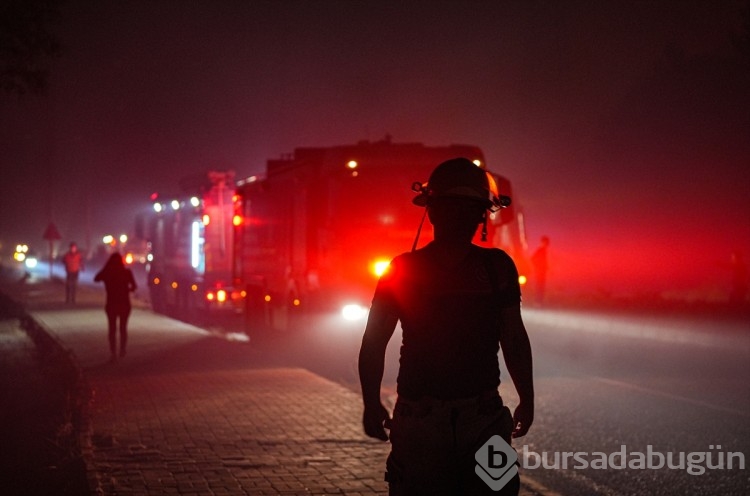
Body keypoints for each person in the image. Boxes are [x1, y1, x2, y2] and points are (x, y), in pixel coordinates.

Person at [358, 158, 534, 495]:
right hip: (480, 421)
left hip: (426, 422)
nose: (465, 217)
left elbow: (374, 340)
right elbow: (514, 338)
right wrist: (527, 399)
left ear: (431, 211)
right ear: (484, 214)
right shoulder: (497, 268)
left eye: (467, 209)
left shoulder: (402, 269)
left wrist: (371, 403)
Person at [94, 253, 137, 361]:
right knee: (123, 328)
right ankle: (122, 350)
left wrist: (106, 267)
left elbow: (96, 278)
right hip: (125, 304)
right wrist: (128, 290)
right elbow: (134, 286)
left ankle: (113, 352)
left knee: (112, 329)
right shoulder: (127, 272)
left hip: (111, 304)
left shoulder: (107, 273)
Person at [530, 236, 550, 306]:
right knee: (539, 287)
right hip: (539, 272)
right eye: (546, 242)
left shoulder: (543, 250)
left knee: (541, 287)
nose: (547, 244)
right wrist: (538, 267)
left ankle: (539, 302)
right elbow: (532, 259)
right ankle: (537, 302)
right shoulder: (540, 250)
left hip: (542, 272)